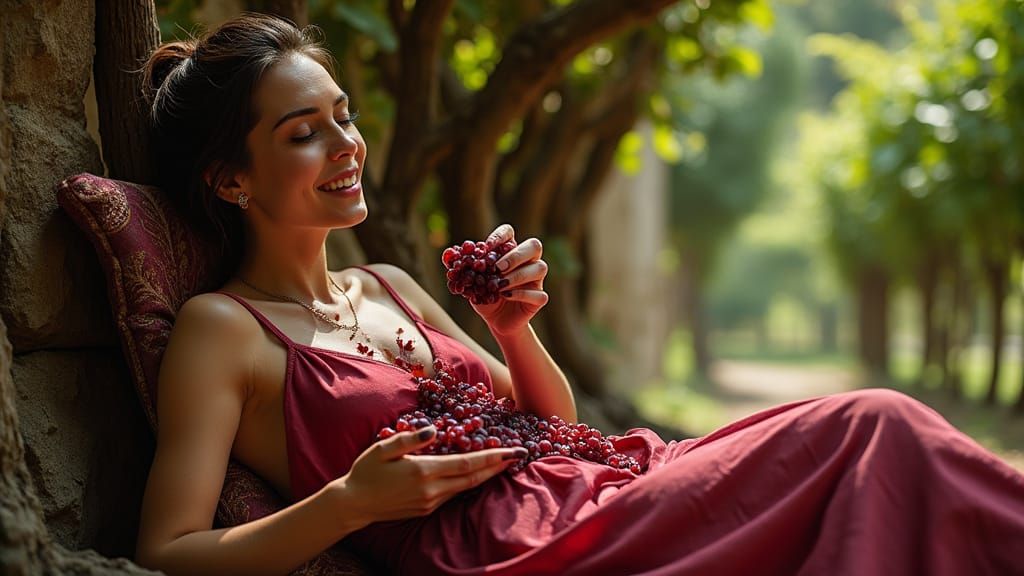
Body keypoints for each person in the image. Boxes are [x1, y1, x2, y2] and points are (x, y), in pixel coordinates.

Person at [133, 13, 1024, 576]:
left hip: (604, 478)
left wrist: (512, 330)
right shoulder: (223, 331)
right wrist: (350, 504)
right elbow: (167, 551)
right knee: (873, 428)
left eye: (345, 115)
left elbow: (545, 418)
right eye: (304, 132)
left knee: (880, 445)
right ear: (230, 180)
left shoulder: (388, 287)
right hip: (527, 546)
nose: (347, 144)